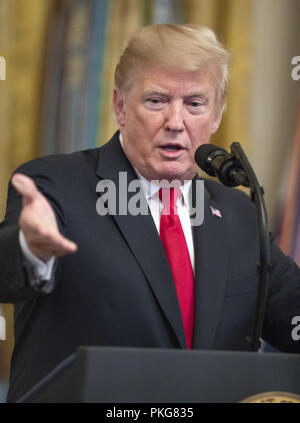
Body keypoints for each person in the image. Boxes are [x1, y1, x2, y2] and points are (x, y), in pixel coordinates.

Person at [0, 24, 300, 403]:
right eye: (157, 101)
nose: (176, 122)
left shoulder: (239, 214)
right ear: (120, 106)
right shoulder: (56, 184)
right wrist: (31, 248)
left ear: (217, 115)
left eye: (194, 103)